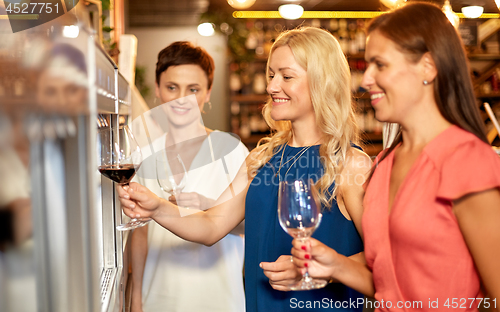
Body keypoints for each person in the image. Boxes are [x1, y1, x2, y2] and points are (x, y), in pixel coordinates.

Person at [119, 28, 372, 312]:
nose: (272, 87)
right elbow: (211, 225)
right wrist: (157, 208)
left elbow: (387, 261)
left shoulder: (351, 164)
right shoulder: (261, 159)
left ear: (322, 83)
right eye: (271, 75)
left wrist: (323, 267)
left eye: (286, 77)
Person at [290, 3, 500, 310]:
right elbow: (389, 285)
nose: (365, 80)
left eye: (380, 65)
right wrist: (336, 266)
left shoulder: (466, 160)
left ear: (428, 66)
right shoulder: (384, 164)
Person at [129, 41, 249, 312]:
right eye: (172, 87)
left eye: (193, 89)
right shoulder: (142, 157)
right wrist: (136, 299)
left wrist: (210, 206)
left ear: (207, 93)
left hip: (220, 301)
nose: (182, 99)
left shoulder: (233, 153)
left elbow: (251, 225)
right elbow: (139, 235)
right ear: (158, 90)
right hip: (158, 299)